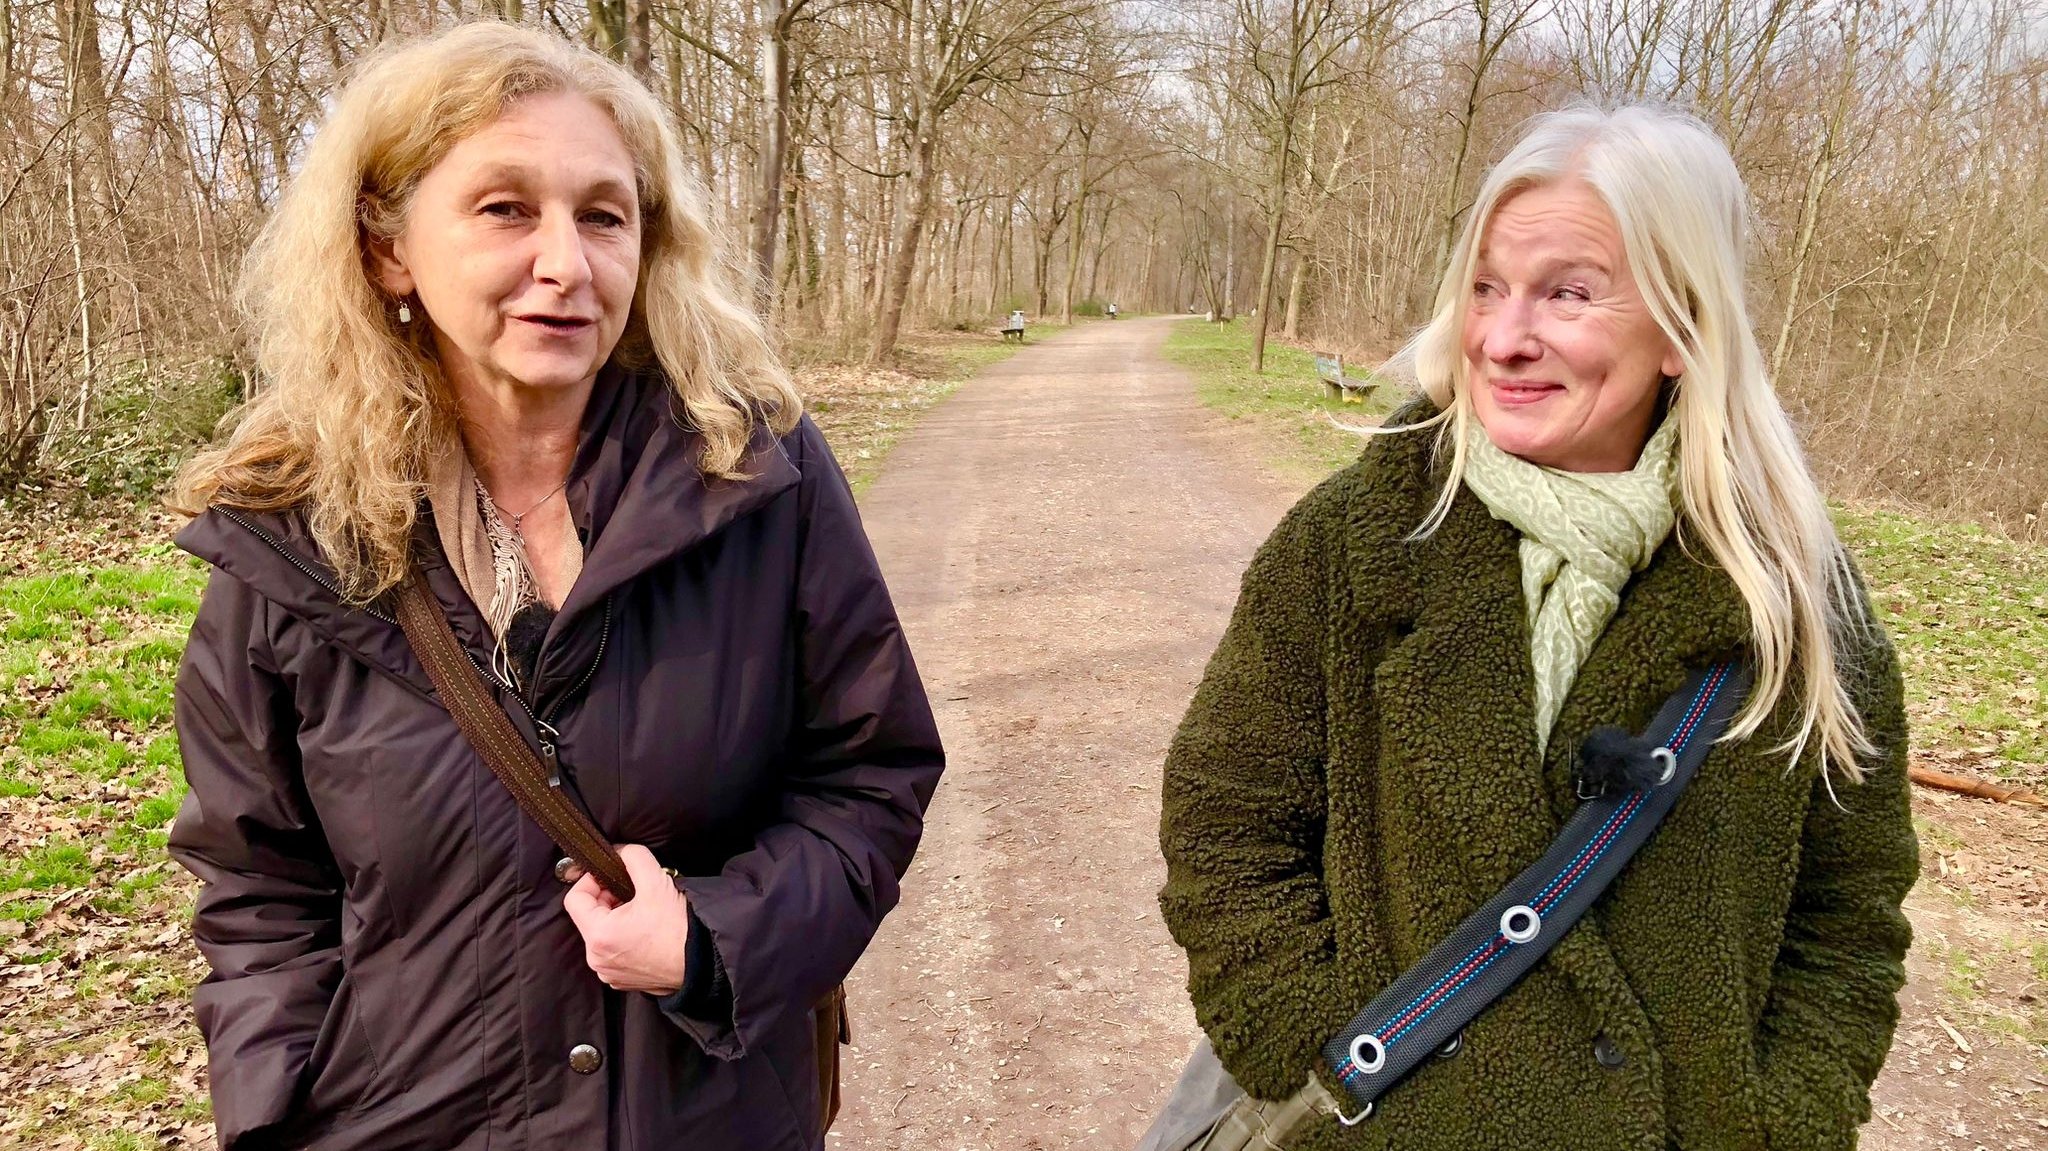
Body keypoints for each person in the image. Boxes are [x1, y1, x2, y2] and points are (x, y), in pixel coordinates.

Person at [166, 23, 942, 1151]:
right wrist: (273, 1107)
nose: (565, 263)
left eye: (603, 215)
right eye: (504, 209)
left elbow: (871, 773)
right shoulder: (290, 529)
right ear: (389, 249)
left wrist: (717, 939)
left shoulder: (755, 472)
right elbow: (256, 884)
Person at [1153, 105, 1916, 1151]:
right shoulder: (1347, 544)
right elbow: (1223, 830)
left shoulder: (1793, 600)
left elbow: (1847, 916)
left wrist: (1776, 1122)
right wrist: (1329, 1072)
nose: (1501, 338)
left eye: (1566, 292)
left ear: (1684, 330)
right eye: (1484, 287)